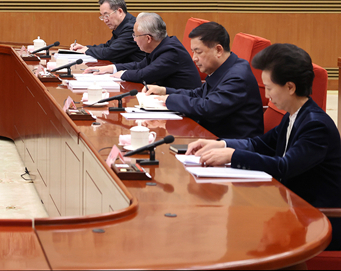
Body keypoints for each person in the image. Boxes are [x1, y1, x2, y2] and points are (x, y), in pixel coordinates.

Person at [187, 44, 340, 250]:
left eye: (269, 88)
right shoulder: (294, 115)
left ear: (290, 87)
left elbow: (285, 166)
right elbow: (259, 143)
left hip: (319, 222)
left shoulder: (315, 125)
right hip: (293, 209)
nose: (267, 96)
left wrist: (233, 156)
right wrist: (221, 144)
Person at [143, 21, 263, 139]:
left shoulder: (237, 76)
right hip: (212, 137)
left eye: (198, 52)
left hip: (233, 146)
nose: (194, 58)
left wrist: (170, 100)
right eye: (193, 52)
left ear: (218, 50)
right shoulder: (224, 68)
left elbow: (208, 108)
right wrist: (164, 91)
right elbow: (199, 94)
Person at [85, 12, 201, 89]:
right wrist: (110, 68)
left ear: (148, 38)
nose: (134, 39)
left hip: (186, 110)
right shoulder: (161, 46)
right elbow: (140, 65)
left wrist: (122, 74)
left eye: (135, 35)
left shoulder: (171, 52)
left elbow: (145, 75)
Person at [69, 0, 144, 63]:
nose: (105, 20)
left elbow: (111, 53)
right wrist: (85, 47)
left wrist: (87, 51)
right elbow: (108, 46)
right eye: (103, 16)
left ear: (120, 11)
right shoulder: (122, 25)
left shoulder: (132, 27)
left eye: (107, 15)